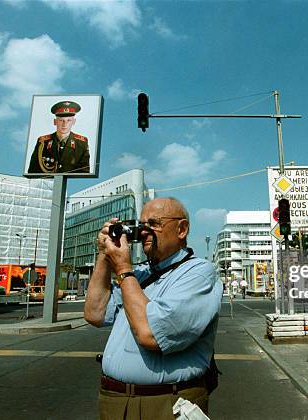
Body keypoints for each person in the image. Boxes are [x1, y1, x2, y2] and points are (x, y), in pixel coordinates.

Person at [84, 197, 222, 420]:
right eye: (141, 225)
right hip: (115, 400)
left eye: (153, 224)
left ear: (182, 229)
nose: (144, 232)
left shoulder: (198, 272)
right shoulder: (139, 275)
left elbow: (151, 335)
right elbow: (95, 313)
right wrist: (104, 254)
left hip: (167, 403)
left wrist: (123, 268)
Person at [27, 101, 90, 174]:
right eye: (61, 120)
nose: (64, 124)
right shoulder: (42, 142)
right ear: (55, 122)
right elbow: (32, 171)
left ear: (74, 122)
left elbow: (84, 173)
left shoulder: (81, 143)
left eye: (68, 120)